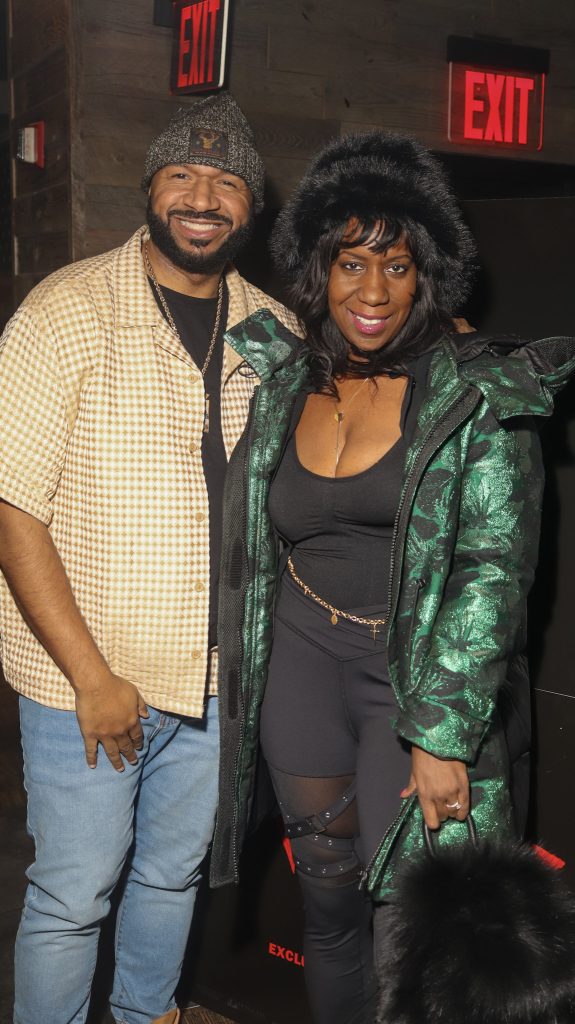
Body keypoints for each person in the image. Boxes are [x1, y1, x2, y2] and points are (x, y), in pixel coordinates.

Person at [209, 132, 575, 1024]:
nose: (372, 291)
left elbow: (493, 569)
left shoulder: (476, 395)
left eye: (397, 266)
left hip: (409, 684)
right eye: (351, 263)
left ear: (428, 276)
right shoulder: (285, 382)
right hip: (300, 664)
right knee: (326, 904)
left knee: (410, 927)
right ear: (318, 269)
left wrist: (443, 733)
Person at [0, 91, 299, 1024]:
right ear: (148, 189)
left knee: (171, 877)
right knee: (73, 896)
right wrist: (90, 678)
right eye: (181, 174)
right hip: (88, 681)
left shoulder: (275, 331)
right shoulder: (65, 311)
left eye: (225, 182)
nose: (201, 197)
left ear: (252, 205)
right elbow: (12, 510)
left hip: (215, 680)